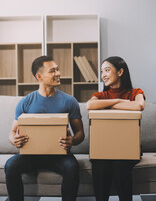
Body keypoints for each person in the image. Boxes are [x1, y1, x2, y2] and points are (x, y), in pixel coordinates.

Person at [5, 55, 85, 201]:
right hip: (30, 156)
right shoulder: (26, 102)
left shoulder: (70, 101)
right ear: (39, 76)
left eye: (58, 69)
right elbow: (12, 132)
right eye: (52, 71)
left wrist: (71, 141)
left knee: (72, 167)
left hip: (59, 156)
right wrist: (14, 139)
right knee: (10, 165)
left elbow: (80, 133)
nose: (58, 73)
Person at [87, 56, 145, 201]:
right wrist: (119, 101)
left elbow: (139, 105)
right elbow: (89, 105)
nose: (103, 75)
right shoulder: (99, 95)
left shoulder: (135, 92)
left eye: (107, 70)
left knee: (120, 163)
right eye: (101, 71)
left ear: (120, 72)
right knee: (99, 164)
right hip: (103, 148)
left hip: (128, 148)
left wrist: (106, 104)